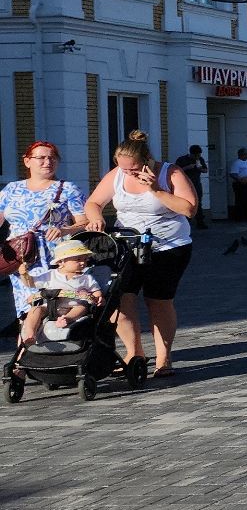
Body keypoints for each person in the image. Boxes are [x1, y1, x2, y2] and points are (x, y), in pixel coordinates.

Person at [80, 132, 196, 379]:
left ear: (147, 160)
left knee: (158, 300)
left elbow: (189, 209)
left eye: (133, 169)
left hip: (168, 247)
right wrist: (97, 217)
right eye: (123, 169)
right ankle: (135, 355)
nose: (128, 173)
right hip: (126, 246)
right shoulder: (118, 175)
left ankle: (164, 358)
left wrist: (155, 189)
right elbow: (93, 203)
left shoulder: (170, 173)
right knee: (121, 299)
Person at [1, 141, 88, 340]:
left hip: (52, 257)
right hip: (21, 258)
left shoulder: (67, 189)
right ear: (27, 161)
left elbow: (84, 221)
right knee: (25, 309)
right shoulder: (11, 190)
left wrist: (63, 229)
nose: (47, 162)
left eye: (52, 158)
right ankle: (25, 358)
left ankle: (37, 356)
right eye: (41, 158)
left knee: (45, 306)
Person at [16, 239, 103, 346]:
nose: (83, 263)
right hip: (50, 307)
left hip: (73, 307)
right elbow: (31, 283)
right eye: (78, 259)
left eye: (85, 259)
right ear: (61, 262)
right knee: (35, 310)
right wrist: (24, 275)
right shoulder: (51, 275)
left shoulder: (86, 278)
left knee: (82, 308)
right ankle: (30, 333)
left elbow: (96, 291)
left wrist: (98, 297)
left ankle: (67, 319)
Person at [174, 145, 211, 228]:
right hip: (185, 185)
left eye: (199, 155)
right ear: (192, 154)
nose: (198, 157)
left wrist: (200, 168)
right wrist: (187, 167)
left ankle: (200, 222)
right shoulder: (182, 159)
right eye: (196, 155)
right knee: (186, 202)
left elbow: (205, 170)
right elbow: (176, 171)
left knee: (198, 202)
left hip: (196, 184)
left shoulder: (200, 159)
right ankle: (186, 222)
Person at [228, 148, 247, 221]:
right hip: (241, 185)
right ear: (242, 155)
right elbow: (233, 174)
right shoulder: (237, 163)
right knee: (241, 200)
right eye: (246, 154)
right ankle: (240, 217)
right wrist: (241, 180)